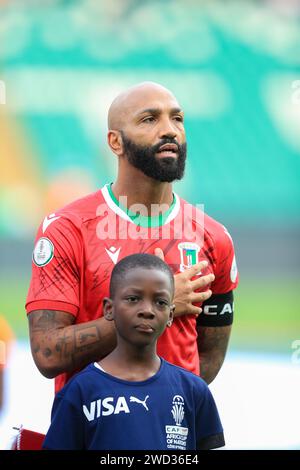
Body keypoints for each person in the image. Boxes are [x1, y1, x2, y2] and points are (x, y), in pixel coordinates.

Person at [26, 81, 239, 394]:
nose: (170, 130)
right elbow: (47, 352)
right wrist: (160, 307)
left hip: (172, 433)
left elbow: (207, 357)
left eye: (177, 119)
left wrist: (158, 407)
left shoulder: (214, 237)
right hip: (92, 433)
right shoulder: (67, 228)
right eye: (149, 119)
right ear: (116, 142)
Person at [42, 254, 225, 450]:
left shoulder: (193, 390)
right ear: (109, 309)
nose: (147, 310)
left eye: (160, 302)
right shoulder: (80, 391)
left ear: (171, 315)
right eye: (133, 299)